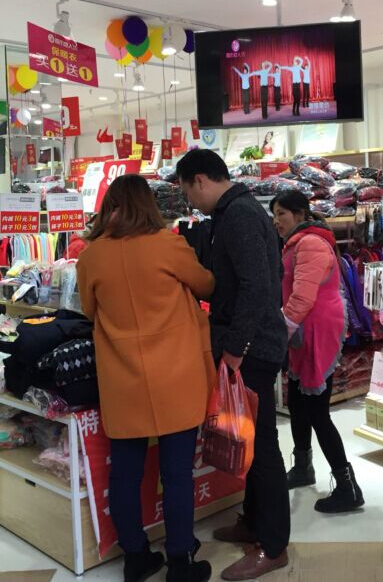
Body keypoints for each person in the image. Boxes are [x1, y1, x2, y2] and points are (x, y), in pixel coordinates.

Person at [76, 174, 216, 582]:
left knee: (125, 473)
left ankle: (135, 557)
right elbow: (206, 284)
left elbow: (89, 310)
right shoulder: (168, 244)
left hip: (123, 379)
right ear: (149, 206)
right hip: (176, 376)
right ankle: (180, 562)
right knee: (177, 474)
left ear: (110, 207)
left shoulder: (91, 256)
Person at [176, 149, 290, 582]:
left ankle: (273, 546)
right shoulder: (234, 212)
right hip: (251, 342)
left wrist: (237, 347)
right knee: (251, 440)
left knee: (262, 446)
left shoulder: (239, 215)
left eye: (187, 192)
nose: (189, 202)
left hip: (253, 347)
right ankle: (255, 522)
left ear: (200, 180)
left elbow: (257, 287)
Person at [270, 191, 364, 513]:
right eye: (274, 214)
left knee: (317, 411)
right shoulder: (298, 242)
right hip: (304, 330)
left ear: (299, 214)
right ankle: (303, 467)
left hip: (316, 331)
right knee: (298, 402)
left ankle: (348, 487)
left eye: (281, 213)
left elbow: (302, 297)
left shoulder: (309, 243)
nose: (277, 221)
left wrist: (279, 334)